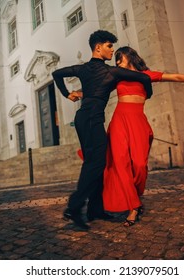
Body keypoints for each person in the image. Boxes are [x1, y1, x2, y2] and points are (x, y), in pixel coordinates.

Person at [52, 31, 153, 230]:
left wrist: (68, 94)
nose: (112, 50)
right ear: (98, 47)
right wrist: (147, 94)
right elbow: (144, 78)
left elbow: (56, 74)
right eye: (109, 46)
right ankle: (74, 206)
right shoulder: (112, 73)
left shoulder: (82, 69)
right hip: (91, 119)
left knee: (98, 161)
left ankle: (95, 209)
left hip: (85, 119)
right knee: (95, 163)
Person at [103, 46, 184, 227]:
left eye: (119, 59)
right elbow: (100, 89)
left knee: (138, 164)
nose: (117, 63)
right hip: (119, 122)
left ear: (129, 57)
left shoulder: (146, 75)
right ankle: (133, 207)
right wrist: (81, 94)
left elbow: (175, 77)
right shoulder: (118, 76)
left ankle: (135, 197)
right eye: (116, 61)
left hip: (137, 122)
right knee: (121, 164)